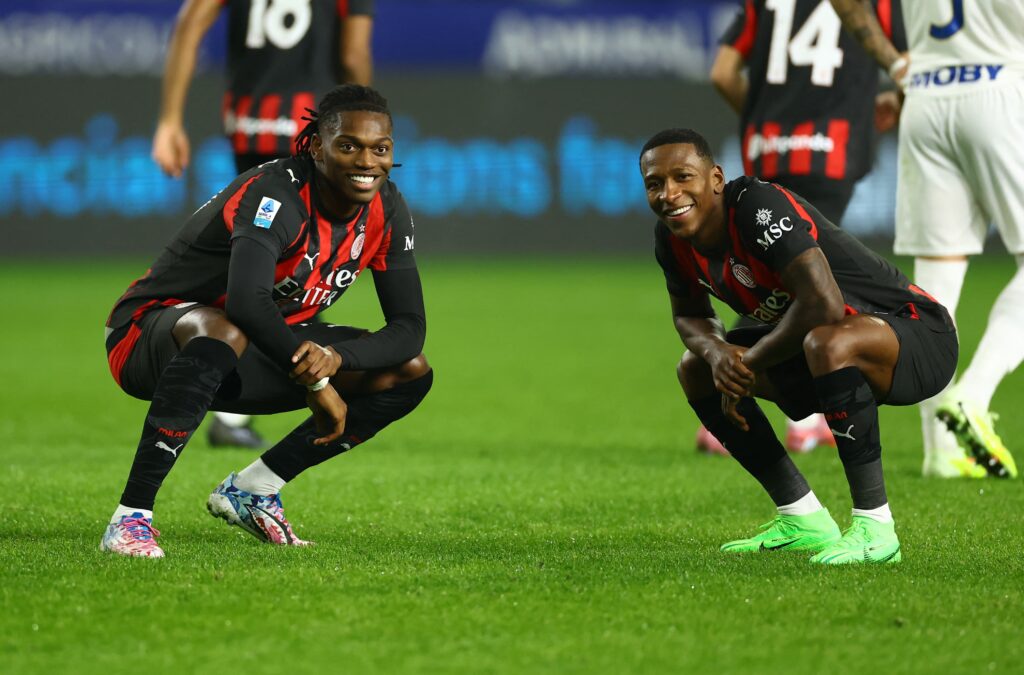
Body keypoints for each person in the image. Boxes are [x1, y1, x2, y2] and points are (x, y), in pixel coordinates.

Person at [102, 85, 432, 558]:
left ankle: (254, 489)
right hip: (145, 336)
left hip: (253, 349)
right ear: (316, 146)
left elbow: (409, 328)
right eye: (348, 146)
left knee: (409, 370)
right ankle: (130, 518)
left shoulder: (388, 208)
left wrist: (334, 359)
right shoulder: (277, 194)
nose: (366, 162)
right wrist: (319, 383)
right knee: (224, 328)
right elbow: (246, 302)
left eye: (380, 149)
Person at [641, 128, 958, 564]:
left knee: (827, 341)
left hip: (917, 335)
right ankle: (801, 516)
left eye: (682, 177)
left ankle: (876, 527)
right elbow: (689, 316)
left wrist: (748, 362)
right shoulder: (671, 239)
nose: (669, 194)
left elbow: (823, 303)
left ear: (715, 178)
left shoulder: (756, 207)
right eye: (654, 184)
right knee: (695, 368)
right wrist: (718, 356)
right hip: (817, 348)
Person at [152, 0, 376, 448]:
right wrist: (364, 123)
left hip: (249, 121)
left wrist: (170, 119)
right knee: (299, 269)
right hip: (311, 126)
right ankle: (244, 404)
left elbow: (191, 22)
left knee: (264, 261)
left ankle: (238, 401)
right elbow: (353, 54)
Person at [702, 0, 906, 457]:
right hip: (828, 149)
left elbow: (723, 72)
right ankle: (802, 418)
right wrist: (895, 99)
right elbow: (905, 65)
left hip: (770, 148)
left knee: (774, 277)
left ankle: (724, 403)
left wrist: (764, 124)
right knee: (808, 285)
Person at [830, 0, 1021, 479]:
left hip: (926, 95)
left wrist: (896, 66)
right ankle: (973, 394)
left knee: (936, 285)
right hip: (1003, 87)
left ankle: (941, 451)